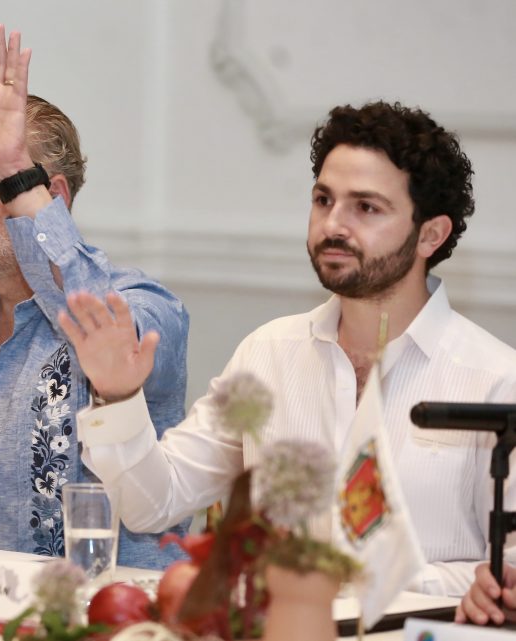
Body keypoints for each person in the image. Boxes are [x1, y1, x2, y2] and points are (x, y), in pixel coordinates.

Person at [64, 101, 516, 595]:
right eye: (324, 200)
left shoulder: (494, 378)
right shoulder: (270, 353)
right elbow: (154, 503)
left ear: (431, 234)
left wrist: (369, 582)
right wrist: (119, 396)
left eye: (366, 207)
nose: (334, 225)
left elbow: (506, 570)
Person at [0, 26, 191, 569]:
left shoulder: (139, 308)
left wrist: (11, 173)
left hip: (94, 614)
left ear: (53, 199)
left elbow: (92, 320)